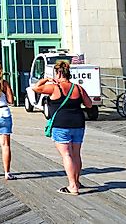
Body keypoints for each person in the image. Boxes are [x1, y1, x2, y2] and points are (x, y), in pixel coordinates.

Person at [31, 60, 92, 196]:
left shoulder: (54, 88)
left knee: (66, 154)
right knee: (76, 154)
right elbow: (89, 104)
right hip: (78, 124)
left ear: (58, 73)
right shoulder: (78, 88)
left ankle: (72, 186)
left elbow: (35, 88)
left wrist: (46, 79)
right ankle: (76, 181)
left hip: (61, 124)